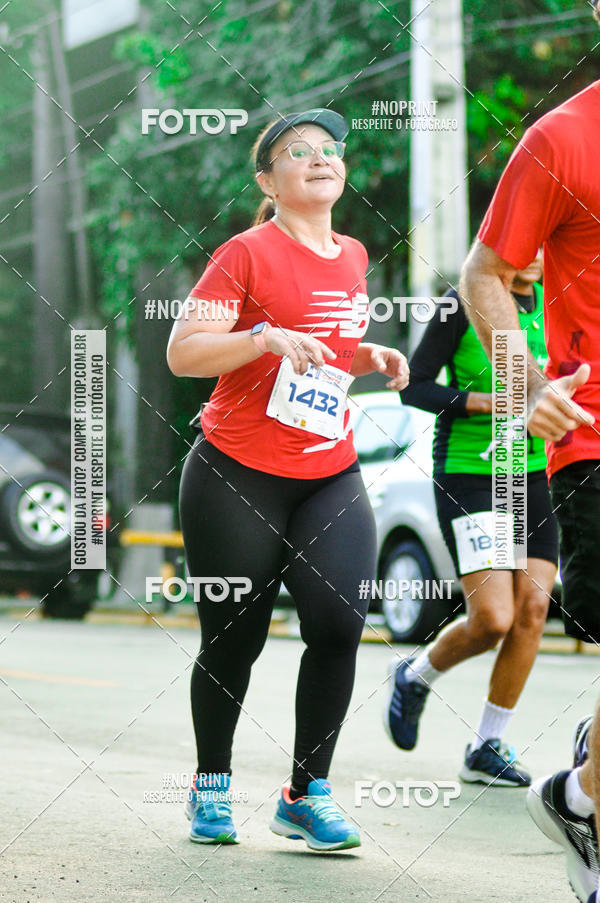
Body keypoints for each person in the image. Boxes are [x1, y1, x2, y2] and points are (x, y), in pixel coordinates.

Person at [166, 108, 409, 851]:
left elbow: (324, 345)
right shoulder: (245, 253)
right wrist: (260, 337)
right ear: (268, 182)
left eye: (329, 149)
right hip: (237, 471)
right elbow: (184, 351)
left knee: (338, 624)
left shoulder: (353, 253)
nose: (319, 158)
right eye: (298, 152)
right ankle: (211, 786)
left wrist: (366, 357)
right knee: (234, 636)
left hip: (328, 469)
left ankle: (306, 795)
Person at [458, 32, 600, 903]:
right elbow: (485, 273)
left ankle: (579, 795)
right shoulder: (562, 138)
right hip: (591, 426)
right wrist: (530, 386)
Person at [384, 251, 558, 787]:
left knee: (533, 610)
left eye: (544, 243)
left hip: (530, 474)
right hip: (469, 474)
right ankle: (415, 675)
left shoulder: (557, 304)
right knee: (493, 619)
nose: (535, 254)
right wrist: (487, 402)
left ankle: (486, 746)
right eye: (524, 242)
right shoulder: (460, 303)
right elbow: (413, 385)